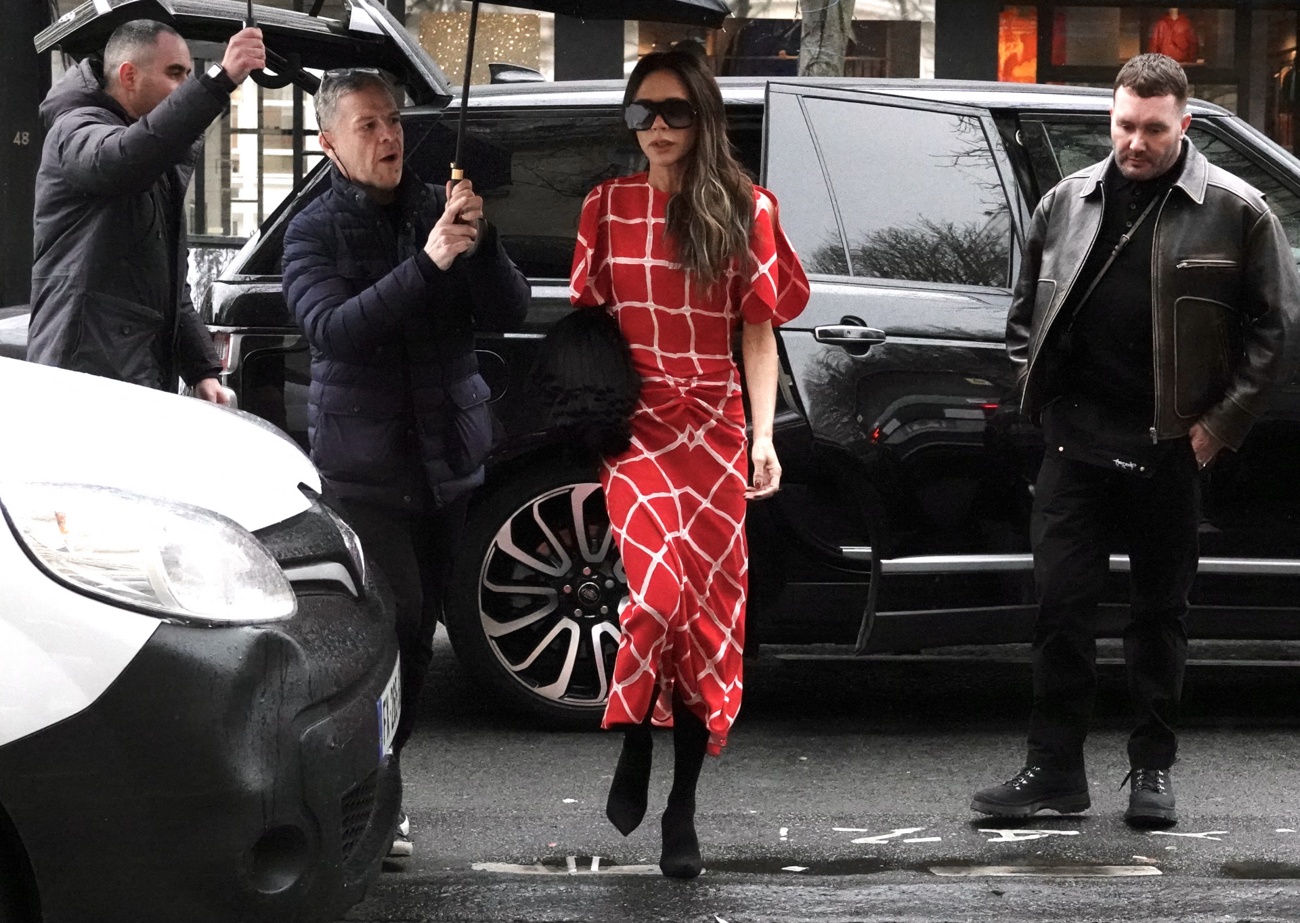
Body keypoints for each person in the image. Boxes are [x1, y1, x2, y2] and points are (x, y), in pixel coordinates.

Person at [972, 53, 1293, 828]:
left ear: (1185, 122)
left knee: (1158, 615)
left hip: (1170, 446)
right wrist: (1037, 403)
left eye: (1154, 127)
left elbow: (1275, 330)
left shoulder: (1238, 209)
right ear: (1109, 119)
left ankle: (1152, 770)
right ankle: (1053, 770)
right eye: (1124, 125)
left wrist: (1217, 429)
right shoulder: (1067, 200)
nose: (1136, 142)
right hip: (1074, 443)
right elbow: (1025, 311)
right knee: (1060, 607)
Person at [568, 43, 809, 878]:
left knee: (708, 625)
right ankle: (634, 731)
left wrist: (764, 435)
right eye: (643, 112)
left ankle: (682, 805)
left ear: (703, 117)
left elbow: (757, 330)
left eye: (674, 111)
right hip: (635, 428)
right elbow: (589, 327)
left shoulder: (745, 209)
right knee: (658, 596)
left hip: (713, 430)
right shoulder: (605, 206)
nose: (658, 126)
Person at [280, 69, 529, 857]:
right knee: (395, 624)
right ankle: (369, 791)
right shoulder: (311, 228)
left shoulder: (437, 200)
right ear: (330, 144)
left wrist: (478, 242)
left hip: (448, 452)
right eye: (366, 126)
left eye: (391, 122)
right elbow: (333, 327)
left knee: (423, 638)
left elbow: (510, 308)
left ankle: (386, 772)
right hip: (367, 463)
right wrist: (426, 263)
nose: (387, 137)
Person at [28, 19, 265, 401]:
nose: (186, 85)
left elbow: (169, 280)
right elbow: (120, 158)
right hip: (84, 381)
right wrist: (219, 80)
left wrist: (202, 370)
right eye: (175, 73)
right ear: (128, 75)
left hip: (133, 376)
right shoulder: (74, 128)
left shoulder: (154, 160)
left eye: (191, 75)